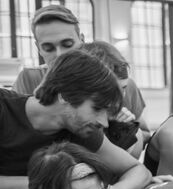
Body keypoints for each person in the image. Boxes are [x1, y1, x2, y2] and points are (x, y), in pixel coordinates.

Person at [0, 50, 152, 189]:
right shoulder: (4, 108)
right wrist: (61, 186)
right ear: (65, 95)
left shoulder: (81, 129)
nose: (104, 123)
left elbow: (139, 171)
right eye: (97, 108)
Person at [12, 4, 149, 137]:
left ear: (82, 40)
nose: (60, 54)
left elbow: (145, 134)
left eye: (67, 45)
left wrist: (126, 128)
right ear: (39, 49)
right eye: (48, 48)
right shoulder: (29, 78)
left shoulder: (121, 84)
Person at [79, 40, 148, 157]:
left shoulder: (130, 87)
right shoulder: (74, 106)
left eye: (123, 89)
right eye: (111, 90)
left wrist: (128, 127)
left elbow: (146, 134)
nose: (120, 98)